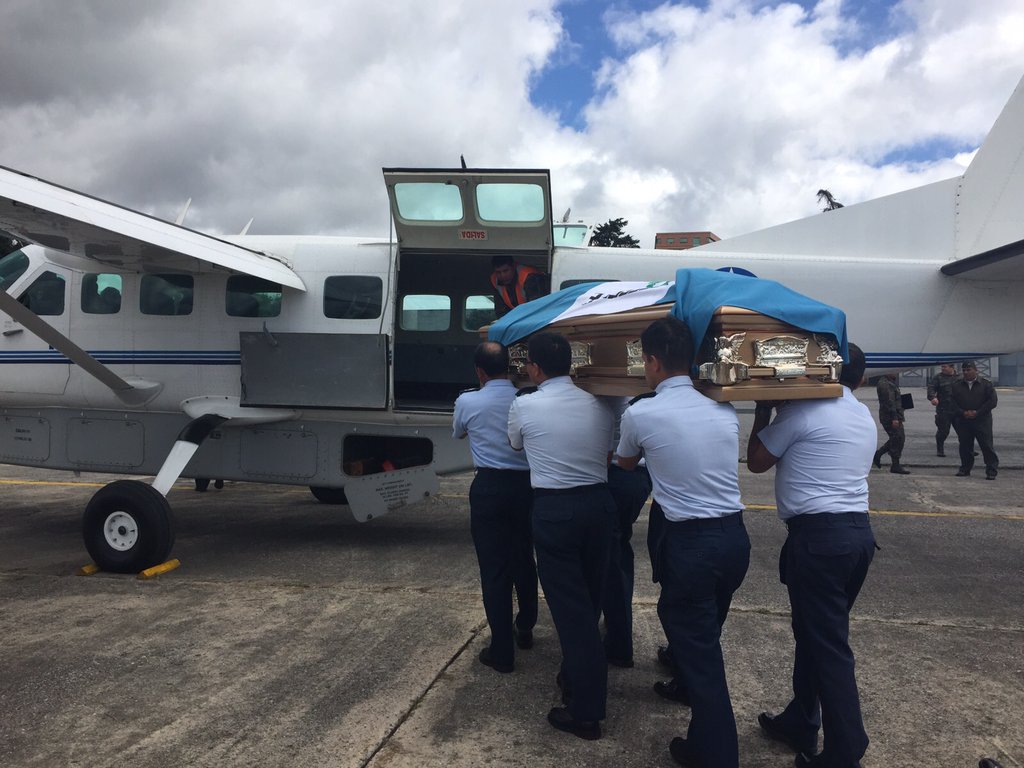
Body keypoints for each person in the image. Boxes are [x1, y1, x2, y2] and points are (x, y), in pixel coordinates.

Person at [615, 316, 750, 768]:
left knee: (697, 645)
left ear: (651, 361)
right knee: (703, 634)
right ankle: (686, 687)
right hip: (734, 540)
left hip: (691, 544)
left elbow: (627, 463)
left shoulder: (641, 412)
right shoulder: (721, 406)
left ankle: (715, 755)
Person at [747, 342, 877, 768]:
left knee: (827, 645)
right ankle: (801, 718)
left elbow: (757, 461)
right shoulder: (861, 413)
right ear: (857, 379)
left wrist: (764, 408)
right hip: (856, 537)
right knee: (814, 635)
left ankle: (845, 750)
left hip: (819, 541)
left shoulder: (801, 413)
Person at [507, 332, 616, 740]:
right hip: (598, 506)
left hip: (556, 510)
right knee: (589, 601)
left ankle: (586, 712)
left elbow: (515, 444)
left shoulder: (525, 404)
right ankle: (574, 677)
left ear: (534, 368)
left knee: (572, 613)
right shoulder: (600, 403)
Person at [452, 342, 538, 673]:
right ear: (510, 366)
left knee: (493, 568)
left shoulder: (468, 401)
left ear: (479, 371)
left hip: (488, 487)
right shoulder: (527, 398)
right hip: (527, 486)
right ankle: (526, 625)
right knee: (524, 557)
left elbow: (458, 432)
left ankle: (501, 650)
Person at [600, 396, 652, 669]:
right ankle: (615, 626)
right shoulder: (634, 395)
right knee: (617, 550)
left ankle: (619, 643)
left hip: (616, 474)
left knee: (610, 557)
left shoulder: (603, 396)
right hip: (634, 478)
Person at [951, 360, 999, 480]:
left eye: (969, 370)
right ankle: (965, 469)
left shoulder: (986, 384)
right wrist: (963, 412)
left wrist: (977, 412)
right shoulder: (957, 385)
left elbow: (992, 402)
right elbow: (951, 402)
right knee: (965, 446)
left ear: (976, 370)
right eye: (964, 370)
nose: (966, 373)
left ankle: (991, 470)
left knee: (986, 445)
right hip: (964, 420)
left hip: (982, 420)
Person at [873, 373, 910, 474]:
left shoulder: (890, 382)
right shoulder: (885, 384)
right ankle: (895, 464)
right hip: (890, 417)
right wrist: (894, 418)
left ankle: (879, 455)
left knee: (897, 438)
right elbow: (889, 402)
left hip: (895, 415)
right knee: (898, 438)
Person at [927, 363, 960, 457]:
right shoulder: (938, 377)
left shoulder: (960, 377)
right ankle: (940, 450)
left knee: (963, 432)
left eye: (945, 367)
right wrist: (932, 398)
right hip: (944, 410)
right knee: (943, 431)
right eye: (942, 367)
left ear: (952, 367)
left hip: (958, 410)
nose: (942, 369)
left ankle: (967, 450)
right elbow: (931, 388)